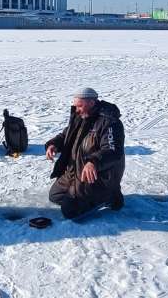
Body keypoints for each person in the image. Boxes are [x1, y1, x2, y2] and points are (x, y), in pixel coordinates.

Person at [45, 87, 126, 219]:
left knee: (69, 211)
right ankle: (80, 192)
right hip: (75, 171)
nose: (76, 109)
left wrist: (93, 162)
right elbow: (66, 135)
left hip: (97, 176)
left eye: (80, 106)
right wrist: (53, 145)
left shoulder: (110, 122)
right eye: (75, 106)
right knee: (55, 196)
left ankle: (109, 195)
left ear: (92, 103)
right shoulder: (80, 116)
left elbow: (112, 151)